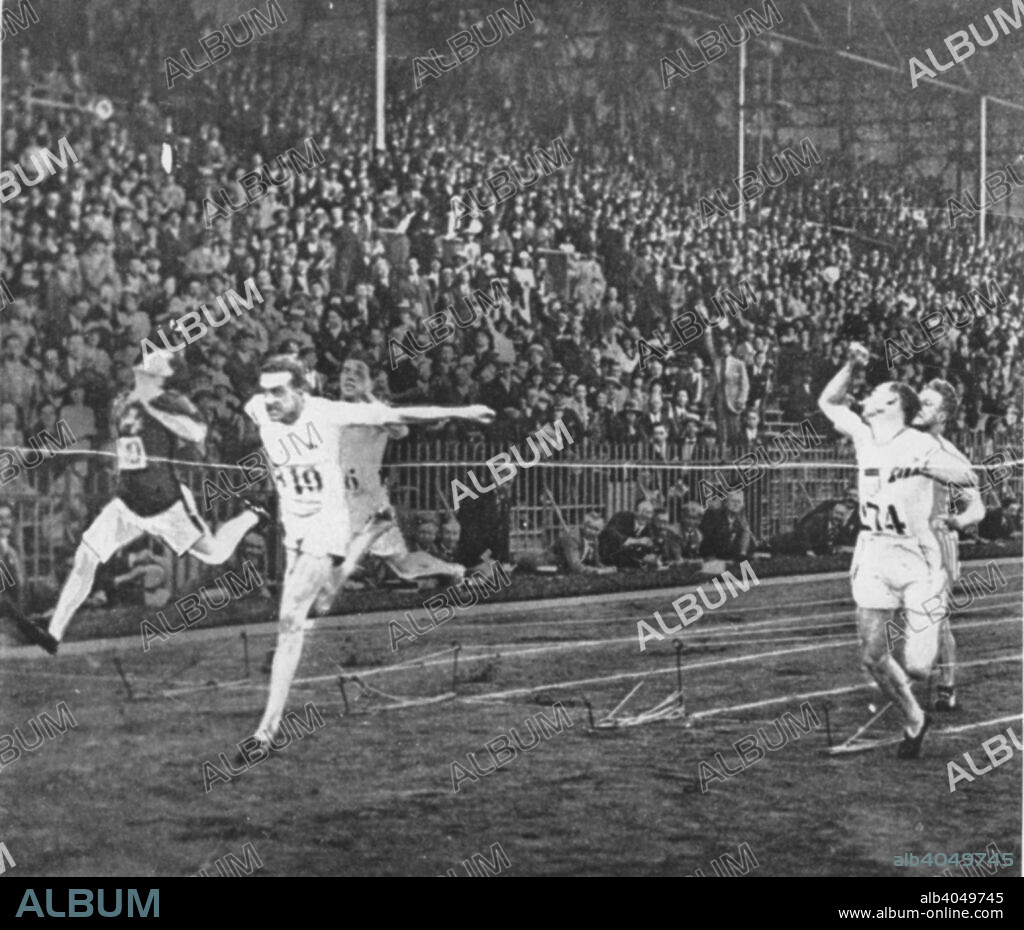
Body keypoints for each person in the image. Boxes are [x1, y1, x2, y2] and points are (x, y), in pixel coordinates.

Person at [242, 355, 493, 754]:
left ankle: (450, 567)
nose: (348, 379)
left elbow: (403, 420)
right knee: (325, 599)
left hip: (355, 506)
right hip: (315, 515)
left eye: (356, 374)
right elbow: (267, 411)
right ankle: (421, 561)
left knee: (392, 573)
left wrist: (459, 411)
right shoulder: (274, 408)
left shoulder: (352, 411)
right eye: (344, 373)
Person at [17, 354, 266, 655]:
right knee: (87, 555)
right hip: (128, 502)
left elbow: (197, 431)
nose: (141, 376)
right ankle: (53, 634)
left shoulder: (170, 400)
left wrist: (156, 410)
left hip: (166, 502)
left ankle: (252, 517)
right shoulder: (122, 403)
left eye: (150, 373)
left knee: (214, 553)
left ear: (160, 377)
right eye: (141, 371)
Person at [817, 343, 978, 759]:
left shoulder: (922, 445)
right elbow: (828, 401)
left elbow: (964, 475)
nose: (866, 398)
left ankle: (937, 679)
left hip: (916, 555)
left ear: (893, 405)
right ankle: (914, 718)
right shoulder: (864, 434)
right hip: (873, 552)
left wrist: (927, 467)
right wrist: (852, 366)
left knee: (921, 664)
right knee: (872, 657)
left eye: (875, 394)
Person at [914, 379, 986, 713]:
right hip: (903, 540)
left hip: (938, 541)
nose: (918, 407)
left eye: (927, 404)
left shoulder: (951, 457)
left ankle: (947, 687)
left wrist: (957, 521)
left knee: (935, 619)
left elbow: (977, 508)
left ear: (942, 414)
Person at [599, 499, 657, 568]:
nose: (646, 515)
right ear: (635, 511)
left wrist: (651, 556)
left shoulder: (651, 527)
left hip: (632, 564)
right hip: (608, 559)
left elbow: (654, 545)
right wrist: (635, 541)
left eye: (649, 512)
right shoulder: (622, 517)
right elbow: (609, 532)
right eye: (642, 511)